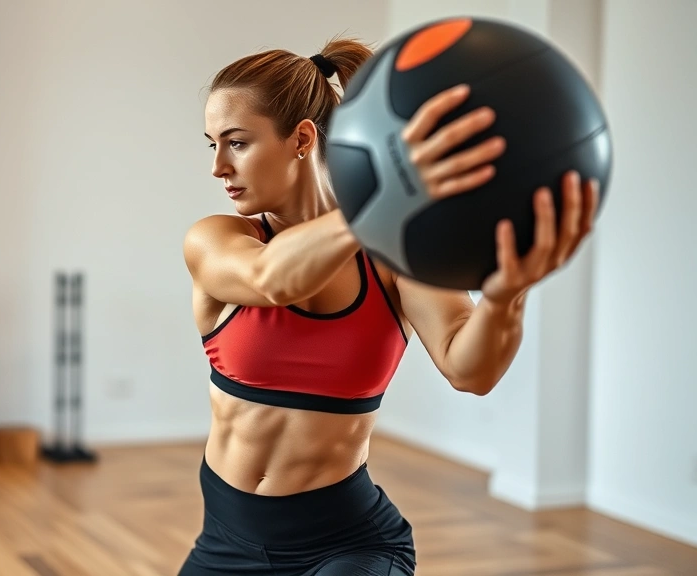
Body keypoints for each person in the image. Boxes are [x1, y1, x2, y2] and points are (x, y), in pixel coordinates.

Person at [178, 36, 599, 576]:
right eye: (212, 145)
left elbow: (470, 371)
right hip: (225, 542)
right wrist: (383, 202)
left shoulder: (393, 255)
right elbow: (272, 278)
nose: (218, 166)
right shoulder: (215, 240)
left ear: (301, 138)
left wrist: (505, 295)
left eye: (237, 143)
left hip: (346, 545)